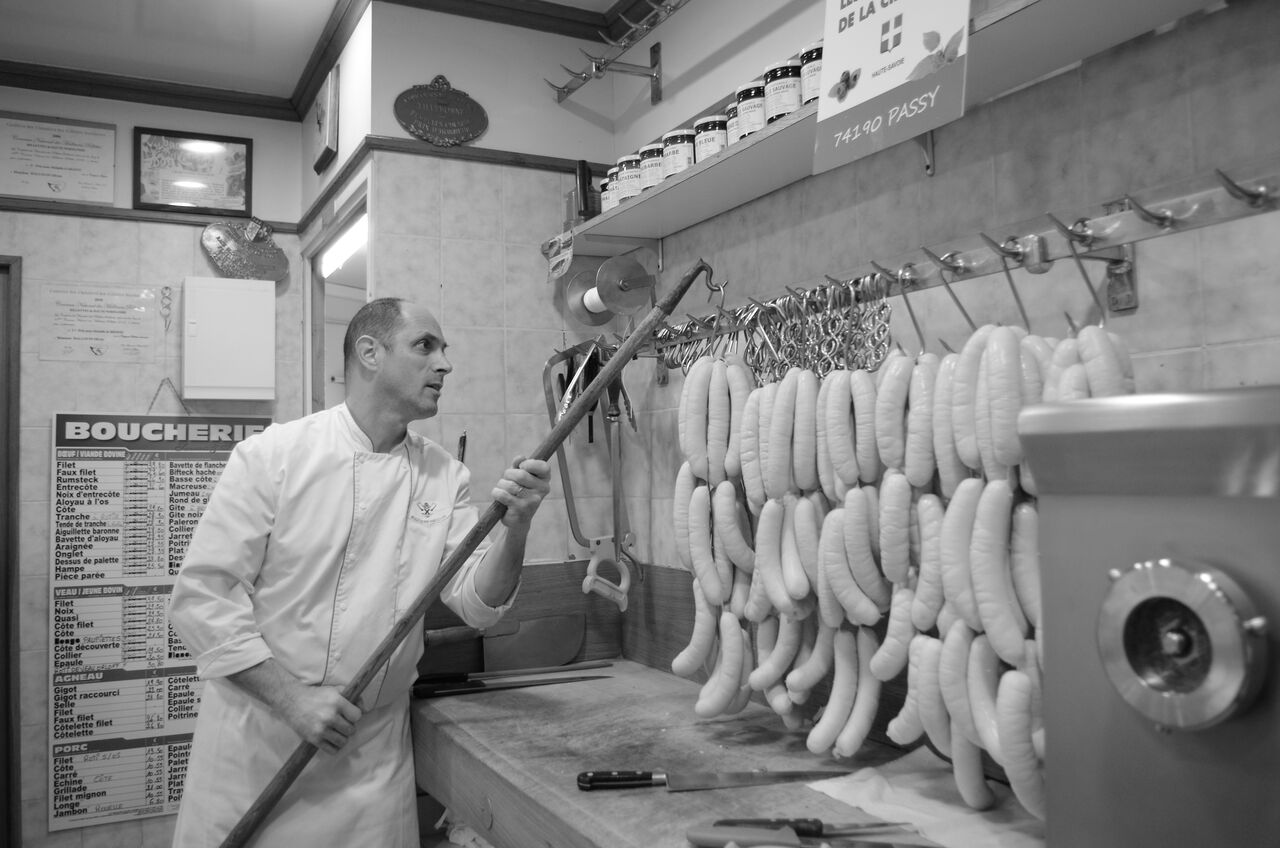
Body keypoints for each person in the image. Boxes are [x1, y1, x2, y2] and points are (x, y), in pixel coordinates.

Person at [168, 297, 551, 847]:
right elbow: (202, 599)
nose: (445, 364)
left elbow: (476, 602)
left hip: (369, 757)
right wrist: (292, 700)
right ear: (370, 353)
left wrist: (518, 527)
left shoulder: (444, 476)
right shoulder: (274, 455)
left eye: (444, 350)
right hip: (261, 743)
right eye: (426, 346)